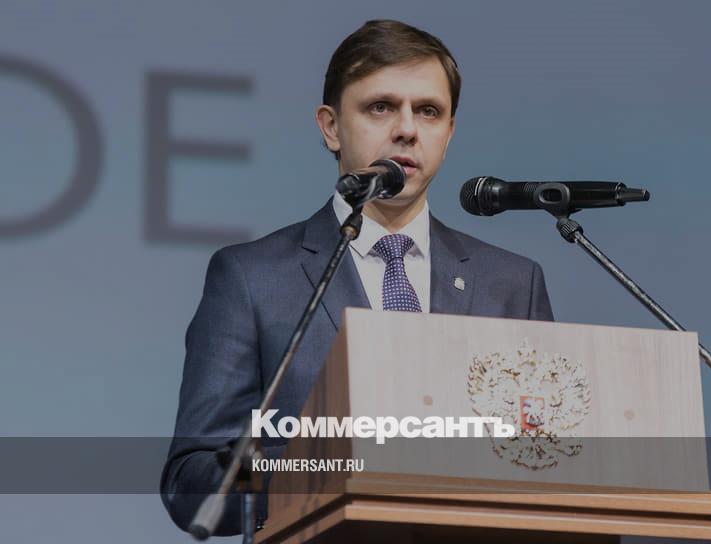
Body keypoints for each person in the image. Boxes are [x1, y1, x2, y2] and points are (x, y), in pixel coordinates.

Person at [160, 19, 554, 535]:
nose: (407, 129)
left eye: (428, 111)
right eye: (381, 107)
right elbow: (193, 485)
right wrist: (328, 465)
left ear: (450, 131)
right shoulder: (252, 278)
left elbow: (549, 463)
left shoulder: (513, 284)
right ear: (330, 127)